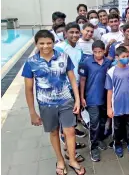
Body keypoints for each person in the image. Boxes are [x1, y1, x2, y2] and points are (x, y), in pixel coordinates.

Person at [22, 30, 85, 175]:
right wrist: (32, 112)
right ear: (36, 44)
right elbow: (29, 89)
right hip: (46, 104)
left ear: (54, 42)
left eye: (49, 43)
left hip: (65, 100)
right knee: (54, 132)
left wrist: (76, 99)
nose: (45, 46)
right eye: (41, 43)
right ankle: (60, 159)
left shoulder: (63, 56)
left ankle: (72, 159)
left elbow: (72, 79)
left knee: (69, 131)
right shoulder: (31, 63)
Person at [79, 40, 112, 162]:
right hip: (92, 98)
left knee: (103, 121)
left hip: (105, 98)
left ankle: (99, 140)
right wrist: (82, 97)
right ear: (92, 51)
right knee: (94, 123)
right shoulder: (86, 62)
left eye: (100, 52)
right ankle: (93, 148)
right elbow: (82, 80)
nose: (98, 54)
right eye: (95, 52)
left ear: (104, 51)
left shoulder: (108, 62)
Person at [105, 46, 129, 158]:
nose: (126, 58)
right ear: (117, 57)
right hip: (117, 105)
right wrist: (109, 108)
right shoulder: (111, 71)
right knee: (117, 126)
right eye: (123, 57)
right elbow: (109, 91)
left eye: (127, 56)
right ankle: (117, 144)